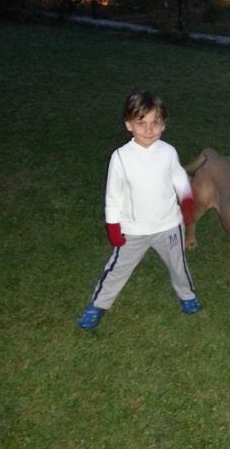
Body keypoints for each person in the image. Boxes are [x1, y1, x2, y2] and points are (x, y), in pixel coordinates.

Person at [77, 91, 201, 329]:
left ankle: (187, 296)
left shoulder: (167, 152)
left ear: (164, 125)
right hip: (133, 230)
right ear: (128, 125)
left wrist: (186, 203)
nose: (148, 129)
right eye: (141, 123)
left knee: (179, 266)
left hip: (169, 227)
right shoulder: (121, 157)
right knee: (117, 269)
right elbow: (113, 196)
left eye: (155, 123)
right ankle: (98, 305)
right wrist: (114, 226)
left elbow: (180, 179)